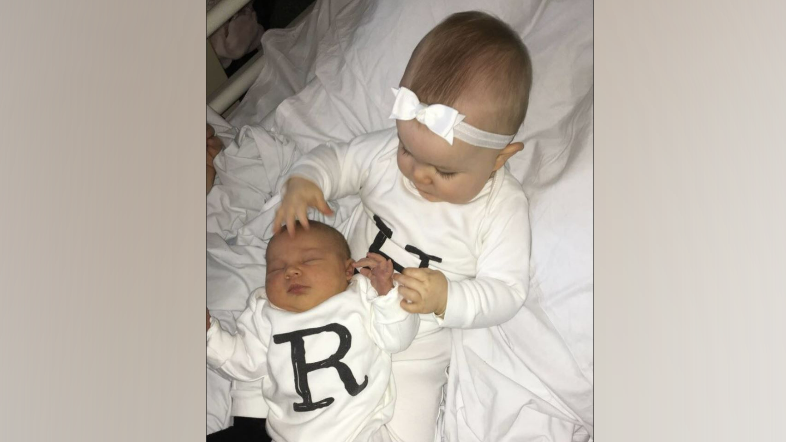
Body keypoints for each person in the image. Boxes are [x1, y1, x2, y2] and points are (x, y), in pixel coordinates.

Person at [271, 11, 534, 442]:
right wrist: (306, 181)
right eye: (408, 152)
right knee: (293, 399)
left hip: (416, 349)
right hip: (338, 307)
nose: (419, 175)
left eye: (445, 172)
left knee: (408, 426)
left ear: (499, 159)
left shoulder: (501, 208)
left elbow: (507, 291)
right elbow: (337, 159)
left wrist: (448, 296)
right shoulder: (384, 155)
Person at [207, 221, 420, 442]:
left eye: (309, 260)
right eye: (277, 268)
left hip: (359, 430)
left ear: (347, 270)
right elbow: (243, 362)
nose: (291, 271)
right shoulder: (265, 314)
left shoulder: (362, 297)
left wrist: (388, 295)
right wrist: (209, 334)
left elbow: (398, 340)